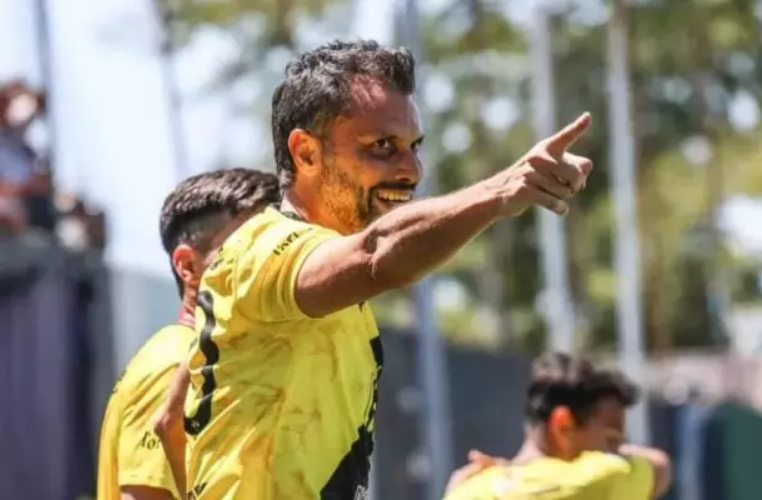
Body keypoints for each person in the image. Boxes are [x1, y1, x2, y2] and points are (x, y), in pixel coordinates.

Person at [183, 39, 594, 500]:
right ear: (306, 153)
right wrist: (499, 192)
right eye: (382, 146)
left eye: (414, 146)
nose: (412, 170)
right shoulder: (263, 247)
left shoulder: (336, 289)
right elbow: (378, 253)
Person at [96, 168, 280, 500]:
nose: (269, 264)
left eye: (276, 247)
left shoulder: (214, 358)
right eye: (249, 249)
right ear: (188, 266)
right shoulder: (177, 364)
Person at [443, 353, 672, 500]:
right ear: (563, 424)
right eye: (611, 439)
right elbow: (661, 465)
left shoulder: (468, 490)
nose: (615, 450)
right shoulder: (601, 477)